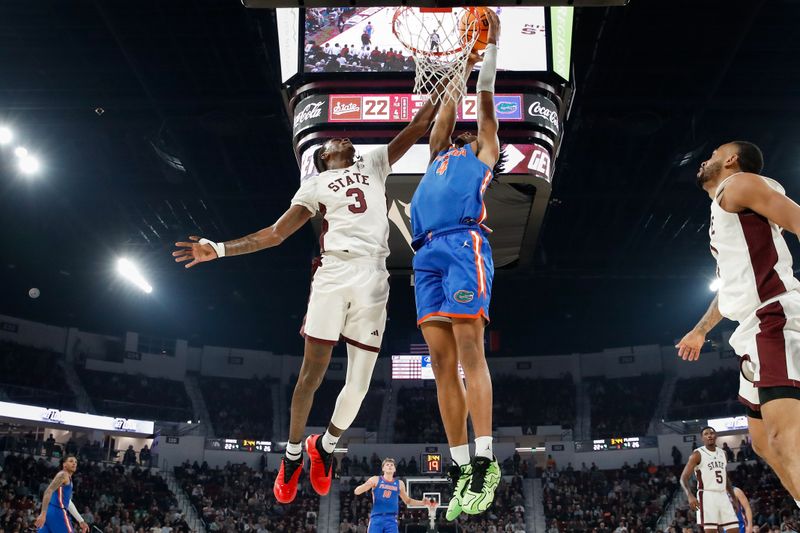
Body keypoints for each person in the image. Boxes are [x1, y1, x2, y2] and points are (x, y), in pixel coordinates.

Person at [173, 77, 453, 505]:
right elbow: (274, 234)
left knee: (360, 384)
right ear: (322, 159)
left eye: (341, 137)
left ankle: (323, 446)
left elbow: (417, 126)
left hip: (376, 276)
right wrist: (220, 249)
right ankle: (290, 457)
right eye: (328, 142)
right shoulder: (315, 186)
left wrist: (450, 79)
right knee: (312, 374)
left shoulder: (374, 163)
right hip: (334, 274)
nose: (338, 137)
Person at [409, 9, 503, 520]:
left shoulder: (485, 151)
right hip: (425, 253)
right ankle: (461, 464)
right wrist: (460, 63)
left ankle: (487, 460)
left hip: (463, 245)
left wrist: (489, 52)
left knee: (470, 355)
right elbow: (449, 108)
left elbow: (483, 102)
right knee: (440, 364)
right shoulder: (440, 153)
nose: (462, 130)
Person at [676, 141, 800, 509]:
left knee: (783, 436)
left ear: (731, 160)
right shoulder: (724, 209)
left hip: (772, 315)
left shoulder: (740, 184)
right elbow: (728, 288)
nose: (705, 159)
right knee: (762, 443)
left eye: (714, 154)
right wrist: (701, 330)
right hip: (750, 328)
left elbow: (796, 219)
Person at [679, 427, 739, 533]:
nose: (709, 435)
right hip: (707, 495)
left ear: (716, 436)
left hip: (723, 495)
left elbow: (725, 478)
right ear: (702, 438)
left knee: (734, 529)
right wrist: (689, 495)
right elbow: (683, 478)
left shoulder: (723, 453)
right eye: (706, 434)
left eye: (711, 433)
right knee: (711, 531)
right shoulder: (697, 454)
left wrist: (733, 497)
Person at [353, 458, 435, 533]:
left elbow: (408, 501)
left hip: (391, 519)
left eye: (391, 465)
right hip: (377, 518)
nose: (389, 466)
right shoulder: (376, 479)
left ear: (395, 469)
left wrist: (423, 502)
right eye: (387, 465)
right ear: (383, 468)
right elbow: (357, 491)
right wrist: (366, 485)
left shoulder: (399, 483)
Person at [34, 455, 89, 533]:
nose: (74, 463)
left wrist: (80, 520)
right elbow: (48, 491)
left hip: (50, 512)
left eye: (75, 462)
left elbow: (68, 502)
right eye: (71, 461)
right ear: (64, 464)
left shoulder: (67, 478)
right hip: (57, 512)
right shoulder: (63, 475)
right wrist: (43, 513)